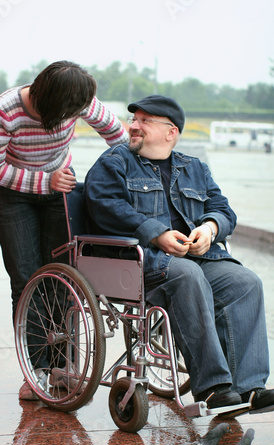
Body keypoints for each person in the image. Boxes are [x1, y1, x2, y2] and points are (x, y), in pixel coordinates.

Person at [84, 94, 274, 412]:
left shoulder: (194, 168)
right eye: (134, 120)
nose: (134, 126)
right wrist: (155, 233)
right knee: (187, 275)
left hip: (195, 257)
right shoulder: (115, 161)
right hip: (138, 261)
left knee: (245, 282)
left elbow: (222, 209)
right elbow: (104, 206)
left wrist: (210, 229)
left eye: (145, 121)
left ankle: (249, 387)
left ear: (171, 132)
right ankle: (213, 387)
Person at [0, 60, 128, 400]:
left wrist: (132, 170)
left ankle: (63, 369)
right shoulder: (6, 110)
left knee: (64, 277)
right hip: (12, 195)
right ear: (50, 103)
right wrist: (44, 181)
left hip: (59, 188)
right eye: (67, 114)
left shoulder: (77, 96)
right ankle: (36, 371)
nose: (73, 117)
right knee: (27, 279)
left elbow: (117, 137)